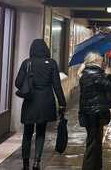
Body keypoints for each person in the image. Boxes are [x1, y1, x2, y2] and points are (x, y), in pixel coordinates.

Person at [15, 39, 66, 170]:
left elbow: (18, 83)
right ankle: (37, 161)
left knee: (27, 133)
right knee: (41, 132)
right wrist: (62, 103)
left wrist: (29, 83)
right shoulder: (52, 63)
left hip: (30, 101)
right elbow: (57, 86)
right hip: (45, 102)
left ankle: (25, 164)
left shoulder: (27, 63)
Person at [79, 51, 111, 170]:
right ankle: (89, 166)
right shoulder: (95, 74)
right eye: (100, 60)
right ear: (95, 61)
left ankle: (95, 165)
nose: (102, 62)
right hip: (95, 113)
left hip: (88, 112)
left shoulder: (85, 73)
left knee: (94, 141)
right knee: (93, 143)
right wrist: (109, 74)